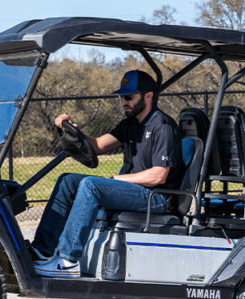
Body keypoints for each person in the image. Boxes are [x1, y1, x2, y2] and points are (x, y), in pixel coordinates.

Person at [32, 70, 184, 278]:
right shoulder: (131, 124)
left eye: (129, 97)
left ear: (148, 96)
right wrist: (73, 130)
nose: (123, 102)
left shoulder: (163, 126)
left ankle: (67, 261)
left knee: (91, 185)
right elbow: (98, 145)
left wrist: (116, 179)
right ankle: (41, 252)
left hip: (157, 197)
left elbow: (158, 176)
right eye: (121, 97)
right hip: (136, 190)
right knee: (67, 180)